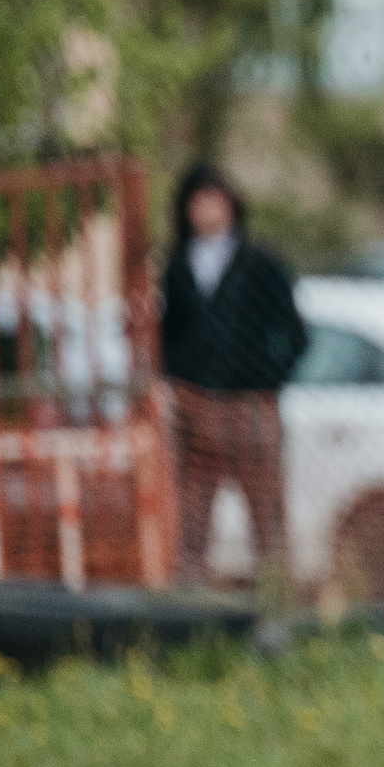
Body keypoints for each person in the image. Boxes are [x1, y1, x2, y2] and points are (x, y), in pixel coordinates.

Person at [158, 164, 307, 588]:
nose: (206, 210)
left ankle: (276, 595)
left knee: (266, 512)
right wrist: (180, 372)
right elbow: (168, 330)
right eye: (197, 201)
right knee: (192, 513)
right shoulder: (177, 266)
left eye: (214, 200)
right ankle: (191, 602)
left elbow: (293, 332)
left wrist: (266, 377)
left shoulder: (260, 262)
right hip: (195, 403)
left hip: (250, 405)